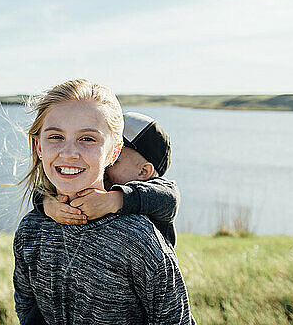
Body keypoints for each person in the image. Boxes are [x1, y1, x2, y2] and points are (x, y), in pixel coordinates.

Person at [13, 79, 194, 325]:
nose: (68, 153)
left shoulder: (137, 238)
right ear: (39, 146)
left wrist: (116, 200)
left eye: (87, 139)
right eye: (55, 136)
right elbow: (27, 307)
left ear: (114, 151)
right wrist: (46, 202)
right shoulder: (30, 230)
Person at [34, 111, 180, 247]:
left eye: (113, 159)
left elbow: (169, 198)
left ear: (143, 171)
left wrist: (114, 200)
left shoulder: (158, 192)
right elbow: (44, 188)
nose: (103, 163)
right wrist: (49, 204)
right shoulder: (100, 183)